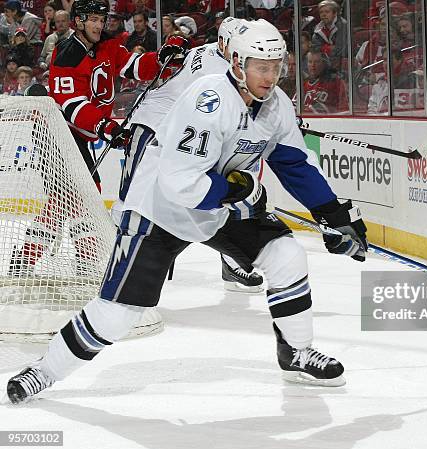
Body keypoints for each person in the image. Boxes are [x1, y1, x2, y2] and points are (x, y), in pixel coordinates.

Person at [7, 19, 368, 404]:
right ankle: (43, 370)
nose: (270, 76)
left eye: (276, 67)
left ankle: (295, 351)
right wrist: (237, 190)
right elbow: (180, 183)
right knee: (118, 313)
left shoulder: (276, 105)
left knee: (288, 255)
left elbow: (294, 163)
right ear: (237, 63)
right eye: (261, 66)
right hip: (160, 209)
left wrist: (334, 216)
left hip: (215, 208)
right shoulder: (208, 99)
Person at [6, 0, 189, 276]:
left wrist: (163, 57)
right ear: (78, 22)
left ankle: (28, 260)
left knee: (66, 201)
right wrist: (106, 126)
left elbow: (136, 67)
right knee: (84, 196)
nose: (98, 25)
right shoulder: (65, 53)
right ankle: (86, 262)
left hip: (77, 137)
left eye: (101, 20)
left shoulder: (110, 46)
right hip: (55, 132)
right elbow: (70, 104)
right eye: (92, 19)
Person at [115, 16, 265, 292]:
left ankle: (231, 260)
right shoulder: (213, 69)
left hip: (193, 133)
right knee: (135, 198)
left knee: (228, 185)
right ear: (223, 43)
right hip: (154, 126)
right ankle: (123, 264)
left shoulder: (219, 55)